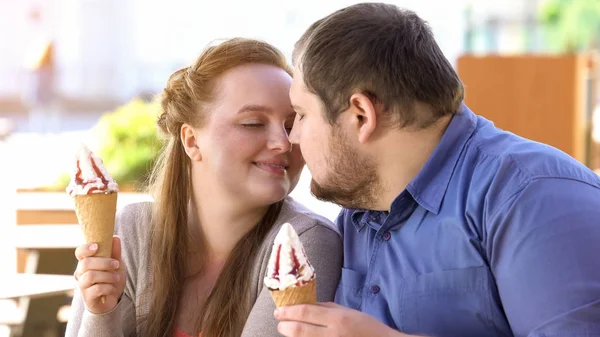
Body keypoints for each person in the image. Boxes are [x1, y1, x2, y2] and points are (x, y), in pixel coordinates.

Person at [275, 3, 600, 337]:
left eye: (300, 115)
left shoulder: (533, 195)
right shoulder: (358, 216)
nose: (293, 138)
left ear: (361, 115)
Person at [64, 38, 342, 337]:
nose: (283, 142)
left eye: (291, 124)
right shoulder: (131, 233)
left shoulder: (304, 244)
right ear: (192, 140)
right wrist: (102, 313)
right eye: (253, 123)